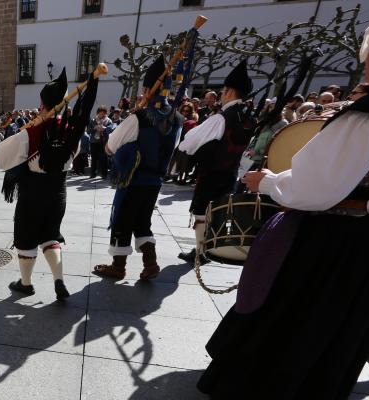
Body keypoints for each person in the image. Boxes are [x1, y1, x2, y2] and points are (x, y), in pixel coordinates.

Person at [196, 36, 369, 400]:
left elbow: (314, 185)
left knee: (299, 317)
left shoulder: (362, 118)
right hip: (362, 242)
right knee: (338, 328)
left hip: (334, 237)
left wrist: (268, 182)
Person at [0, 67, 98, 300]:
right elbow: (74, 155)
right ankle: (58, 280)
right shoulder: (73, 132)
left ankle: (26, 283)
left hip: (32, 194)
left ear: (43, 105)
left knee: (26, 237)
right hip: (58, 193)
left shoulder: (30, 133)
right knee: (51, 235)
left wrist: (21, 133)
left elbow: (1, 158)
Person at [92, 55, 183, 280]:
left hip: (132, 180)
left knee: (123, 219)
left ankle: (118, 266)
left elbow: (110, 147)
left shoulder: (139, 118)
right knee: (143, 221)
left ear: (146, 89)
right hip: (155, 182)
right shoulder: (177, 119)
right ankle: (150, 263)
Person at [176, 59, 257, 263]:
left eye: (222, 92)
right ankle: (210, 248)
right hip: (230, 173)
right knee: (217, 212)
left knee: (202, 213)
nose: (221, 95)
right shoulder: (249, 118)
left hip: (211, 173)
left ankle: (201, 252)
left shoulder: (221, 118)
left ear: (229, 92)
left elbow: (188, 142)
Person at [87, 105, 111, 179]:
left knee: (104, 158)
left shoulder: (108, 120)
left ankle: (104, 174)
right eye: (100, 113)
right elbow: (88, 131)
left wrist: (104, 129)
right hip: (94, 141)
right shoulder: (93, 120)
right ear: (98, 113)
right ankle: (93, 173)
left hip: (103, 141)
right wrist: (94, 128)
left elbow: (111, 130)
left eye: (103, 113)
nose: (102, 115)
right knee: (93, 158)